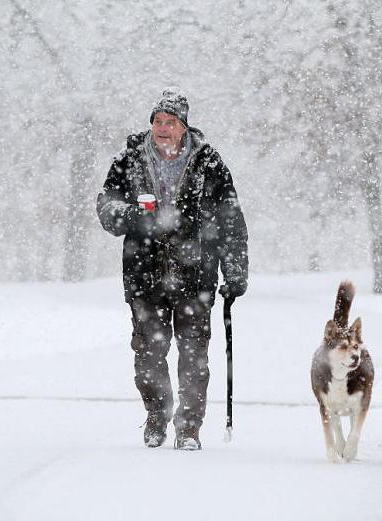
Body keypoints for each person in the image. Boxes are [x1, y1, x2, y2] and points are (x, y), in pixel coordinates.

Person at [96, 89, 248, 450]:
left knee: (194, 356)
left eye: (170, 122)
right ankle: (157, 414)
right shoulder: (129, 160)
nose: (162, 128)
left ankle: (189, 428)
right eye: (157, 121)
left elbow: (230, 219)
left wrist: (236, 269)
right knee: (148, 355)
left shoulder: (209, 163)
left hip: (196, 275)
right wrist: (137, 217)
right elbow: (106, 207)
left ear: (184, 128)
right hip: (144, 275)